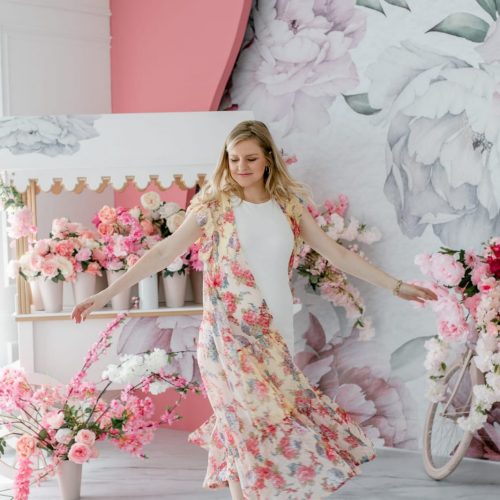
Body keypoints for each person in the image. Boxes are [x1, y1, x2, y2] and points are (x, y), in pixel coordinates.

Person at [72, 120, 437, 499]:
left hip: (275, 330)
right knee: (239, 421)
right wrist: (105, 294)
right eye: (233, 160)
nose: (241, 167)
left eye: (250, 159)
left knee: (269, 418)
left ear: (267, 161)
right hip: (225, 332)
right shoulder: (214, 206)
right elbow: (164, 252)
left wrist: (397, 285)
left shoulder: (289, 208)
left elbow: (338, 253)